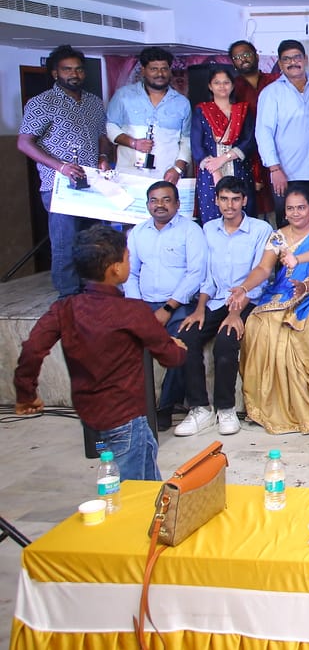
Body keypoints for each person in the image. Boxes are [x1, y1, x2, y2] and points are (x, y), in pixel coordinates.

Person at [15, 225, 187, 481]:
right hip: (125, 415)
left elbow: (32, 348)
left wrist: (26, 394)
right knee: (130, 491)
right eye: (127, 258)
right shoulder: (131, 311)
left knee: (146, 460)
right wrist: (177, 348)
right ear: (115, 268)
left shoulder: (65, 308)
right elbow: (170, 357)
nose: (130, 263)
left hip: (91, 412)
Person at [234, 184, 309, 434]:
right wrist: (244, 288)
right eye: (290, 208)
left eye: (301, 208)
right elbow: (263, 269)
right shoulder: (278, 236)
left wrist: (306, 286)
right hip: (283, 291)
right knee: (259, 324)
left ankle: (308, 409)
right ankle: (268, 407)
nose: (295, 213)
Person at [174, 176, 272, 437]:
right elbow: (206, 277)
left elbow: (260, 276)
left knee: (226, 341)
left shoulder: (260, 229)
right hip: (215, 300)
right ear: (216, 200)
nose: (230, 205)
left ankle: (225, 409)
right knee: (186, 337)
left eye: (235, 199)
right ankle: (200, 409)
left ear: (245, 201)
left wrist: (236, 312)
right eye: (224, 199)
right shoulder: (208, 229)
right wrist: (199, 309)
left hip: (249, 300)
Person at [17, 44, 110, 297]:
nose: (74, 74)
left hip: (92, 183)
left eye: (78, 69)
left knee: (92, 242)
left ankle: (92, 291)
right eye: (67, 69)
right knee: (65, 243)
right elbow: (24, 143)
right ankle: (68, 296)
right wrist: (61, 166)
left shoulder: (93, 102)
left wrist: (103, 157)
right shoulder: (41, 102)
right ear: (55, 73)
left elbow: (102, 137)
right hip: (59, 185)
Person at [125, 181, 207, 429]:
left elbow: (195, 273)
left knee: (180, 345)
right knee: (120, 342)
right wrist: (137, 308)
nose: (159, 205)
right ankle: (131, 407)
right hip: (143, 304)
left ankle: (164, 407)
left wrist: (168, 308)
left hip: (178, 305)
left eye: (166, 199)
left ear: (178, 204)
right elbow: (130, 273)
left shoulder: (191, 230)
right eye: (154, 200)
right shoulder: (138, 232)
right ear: (147, 204)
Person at [257, 40, 309, 222]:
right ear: (280, 63)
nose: (292, 62)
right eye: (286, 59)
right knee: (289, 226)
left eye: (297, 57)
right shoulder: (271, 93)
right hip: (287, 174)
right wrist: (274, 169)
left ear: (305, 59)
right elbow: (263, 132)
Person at [106, 46, 191, 183]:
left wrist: (178, 169)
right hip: (128, 175)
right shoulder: (124, 95)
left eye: (164, 69)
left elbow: (187, 139)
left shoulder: (182, 103)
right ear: (143, 70)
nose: (160, 74)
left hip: (166, 177)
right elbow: (110, 126)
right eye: (154, 69)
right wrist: (133, 143)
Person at [192, 63, 255, 224]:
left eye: (226, 82)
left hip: (239, 170)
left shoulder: (243, 110)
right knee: (212, 219)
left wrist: (224, 158)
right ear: (210, 86)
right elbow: (197, 146)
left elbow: (249, 141)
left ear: (233, 85)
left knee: (243, 217)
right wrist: (215, 171)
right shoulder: (201, 111)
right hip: (210, 174)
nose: (222, 86)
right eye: (217, 83)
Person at [228, 40, 278, 215]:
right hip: (247, 154)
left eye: (246, 54)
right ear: (233, 62)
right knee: (252, 206)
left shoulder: (275, 81)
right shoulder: (232, 88)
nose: (243, 59)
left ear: (256, 56)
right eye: (237, 57)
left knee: (281, 204)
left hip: (278, 151)